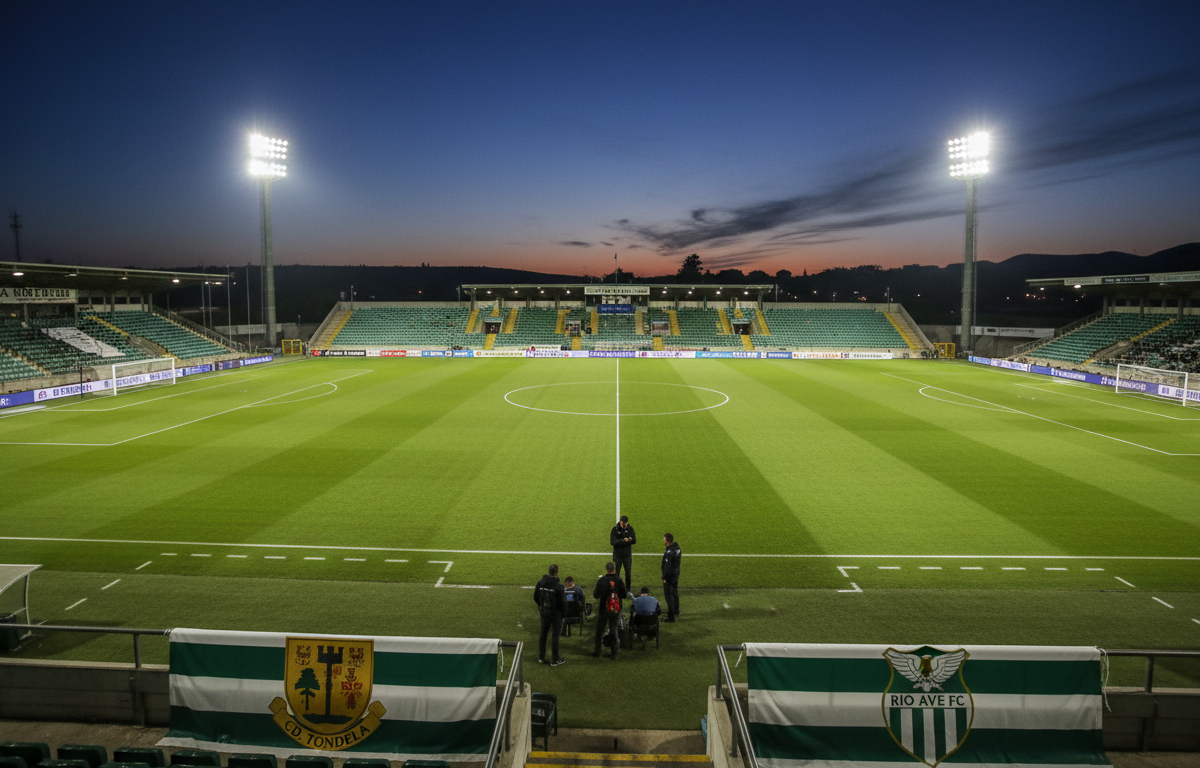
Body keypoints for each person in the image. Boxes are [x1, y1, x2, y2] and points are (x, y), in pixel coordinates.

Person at [534, 564, 567, 666]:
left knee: (543, 634)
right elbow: (562, 603)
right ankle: (555, 659)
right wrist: (564, 614)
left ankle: (541, 656)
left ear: (549, 572)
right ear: (556, 572)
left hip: (544, 612)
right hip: (555, 614)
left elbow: (536, 597)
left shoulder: (540, 583)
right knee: (555, 636)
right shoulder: (559, 586)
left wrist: (542, 606)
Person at [592, 561, 626, 660]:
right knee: (614, 631)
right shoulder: (619, 580)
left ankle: (597, 652)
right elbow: (624, 595)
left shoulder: (602, 580)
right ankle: (615, 652)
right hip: (616, 610)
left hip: (604, 609)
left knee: (599, 632)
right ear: (614, 568)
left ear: (606, 569)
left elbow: (595, 595)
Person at [610, 515, 636, 595]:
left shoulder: (630, 529)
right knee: (616, 574)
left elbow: (634, 540)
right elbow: (612, 542)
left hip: (627, 556)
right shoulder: (615, 529)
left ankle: (628, 590)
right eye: (622, 524)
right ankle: (615, 589)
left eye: (625, 524)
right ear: (620, 522)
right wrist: (622, 540)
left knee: (628, 574)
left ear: (627, 522)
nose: (623, 526)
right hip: (617, 556)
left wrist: (629, 540)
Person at [661, 533, 681, 622]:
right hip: (676, 574)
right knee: (674, 592)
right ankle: (676, 610)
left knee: (668, 596)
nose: (663, 541)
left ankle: (671, 616)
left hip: (669, 577)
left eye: (664, 539)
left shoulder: (669, 553)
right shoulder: (677, 548)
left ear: (667, 541)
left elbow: (667, 567)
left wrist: (664, 577)